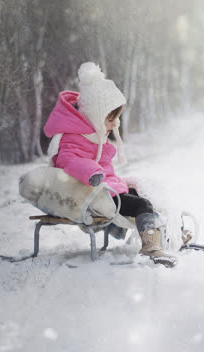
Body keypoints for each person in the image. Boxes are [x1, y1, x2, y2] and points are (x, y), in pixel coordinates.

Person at [43, 62, 177, 268]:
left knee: (144, 193)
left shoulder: (94, 133)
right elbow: (67, 160)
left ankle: (166, 232)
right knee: (142, 205)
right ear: (95, 114)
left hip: (106, 188)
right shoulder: (73, 136)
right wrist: (92, 173)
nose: (115, 124)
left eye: (116, 118)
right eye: (110, 118)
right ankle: (150, 245)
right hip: (95, 193)